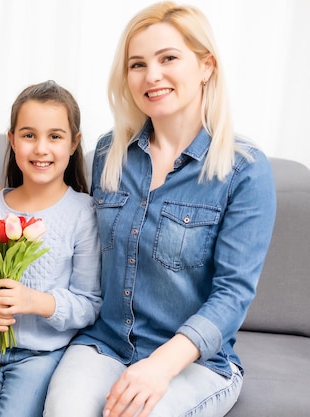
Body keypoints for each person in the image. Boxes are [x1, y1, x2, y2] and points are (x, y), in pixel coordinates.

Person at [44, 2, 277, 417]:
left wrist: (160, 367)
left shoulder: (245, 170)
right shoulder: (108, 153)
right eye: (137, 64)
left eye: (168, 58)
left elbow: (233, 294)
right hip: (106, 343)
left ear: (206, 66)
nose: (152, 75)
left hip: (194, 364)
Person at [0, 80, 102, 417]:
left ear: (74, 143)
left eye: (55, 136)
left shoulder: (83, 212)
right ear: (12, 140)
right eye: (29, 135)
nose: (41, 149)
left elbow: (89, 303)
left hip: (41, 355)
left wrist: (37, 302)